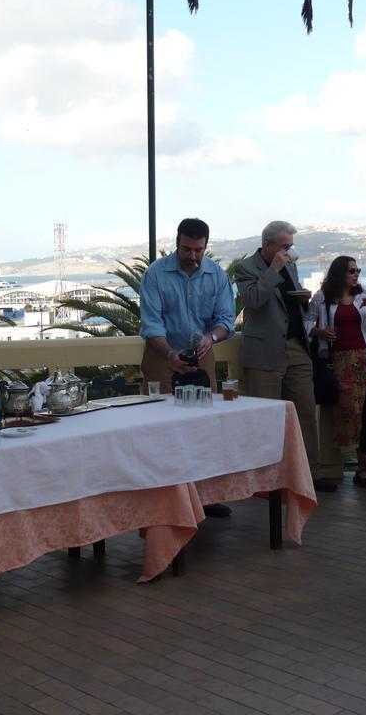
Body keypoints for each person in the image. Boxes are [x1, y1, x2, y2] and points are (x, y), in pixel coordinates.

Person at [139, 217, 235, 517]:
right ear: (176, 242)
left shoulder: (216, 275)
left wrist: (211, 337)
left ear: (206, 246)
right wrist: (169, 355)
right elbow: (151, 323)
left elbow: (226, 321)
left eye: (198, 250)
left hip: (202, 355)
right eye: (187, 249)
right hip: (161, 354)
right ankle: (164, 499)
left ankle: (206, 497)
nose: (193, 256)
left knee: (203, 426)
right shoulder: (155, 274)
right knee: (160, 426)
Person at [234, 221, 324, 490]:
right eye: (285, 247)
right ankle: (265, 479)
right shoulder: (246, 268)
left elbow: (285, 302)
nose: (289, 252)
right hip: (264, 350)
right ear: (268, 245)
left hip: (296, 346)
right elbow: (252, 300)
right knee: (265, 415)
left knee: (305, 411)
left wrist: (302, 298)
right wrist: (273, 271)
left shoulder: (291, 265)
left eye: (290, 246)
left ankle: (309, 475)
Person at [305, 256, 366, 488]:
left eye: (358, 270)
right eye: (352, 270)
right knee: (352, 413)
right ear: (340, 272)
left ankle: (363, 470)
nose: (356, 274)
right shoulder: (322, 298)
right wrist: (319, 332)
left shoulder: (365, 295)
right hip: (339, 361)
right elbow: (307, 321)